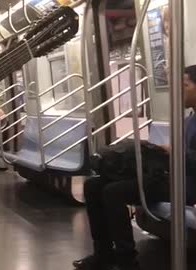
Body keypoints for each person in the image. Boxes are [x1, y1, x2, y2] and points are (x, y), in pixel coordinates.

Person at [72, 65, 196, 270]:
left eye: (185, 86)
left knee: (114, 192)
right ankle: (103, 253)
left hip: (187, 184)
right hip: (169, 176)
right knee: (93, 186)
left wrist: (177, 153)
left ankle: (126, 259)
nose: (180, 91)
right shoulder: (188, 120)